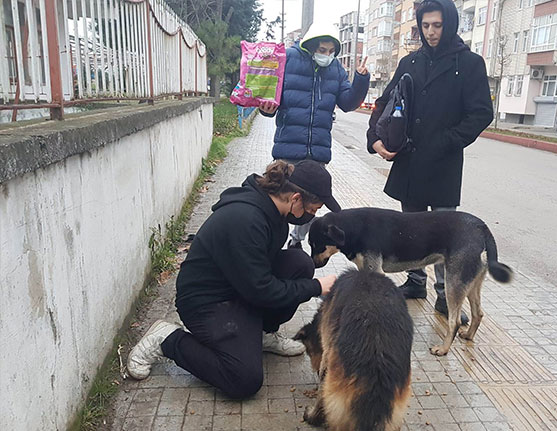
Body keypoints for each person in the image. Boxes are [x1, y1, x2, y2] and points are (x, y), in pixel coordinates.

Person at [127, 160, 339, 399]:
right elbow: (261, 290)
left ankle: (261, 334)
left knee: (300, 264)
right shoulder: (245, 219)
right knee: (244, 379)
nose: (310, 216)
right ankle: (167, 339)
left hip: (238, 286)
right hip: (205, 302)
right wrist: (316, 287)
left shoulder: (275, 212)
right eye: (311, 210)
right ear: (296, 198)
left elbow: (258, 278)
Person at [365, 0, 493, 322]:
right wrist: (375, 138)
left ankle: (444, 297)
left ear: (449, 25)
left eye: (437, 25)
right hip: (409, 161)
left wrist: (447, 141)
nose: (431, 32)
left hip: (444, 163)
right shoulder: (411, 61)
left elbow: (480, 113)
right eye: (425, 26)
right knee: (411, 228)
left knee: (445, 233)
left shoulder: (469, 64)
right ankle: (415, 282)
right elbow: (384, 101)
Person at [259, 23, 370, 249]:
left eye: (331, 51)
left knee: (310, 204)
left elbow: (348, 103)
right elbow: (269, 94)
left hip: (317, 152)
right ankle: (271, 245)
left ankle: (295, 243)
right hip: (287, 150)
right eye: (322, 50)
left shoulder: (336, 70)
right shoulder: (288, 59)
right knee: (280, 201)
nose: (326, 55)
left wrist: (360, 79)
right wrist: (265, 109)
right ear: (310, 47)